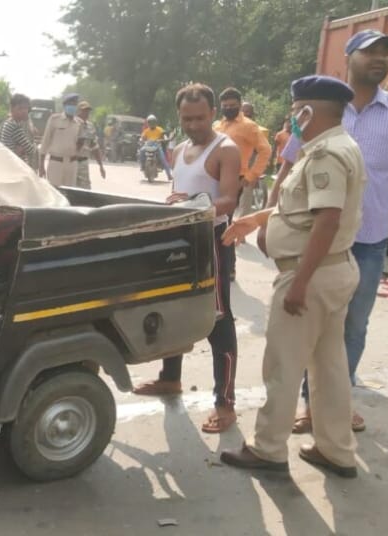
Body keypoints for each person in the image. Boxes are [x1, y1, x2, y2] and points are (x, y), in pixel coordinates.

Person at [274, 29, 388, 434]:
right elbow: (288, 162)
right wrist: (269, 214)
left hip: (369, 242)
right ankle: (312, 406)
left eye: (385, 53)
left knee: (353, 327)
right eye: (369, 52)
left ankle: (335, 399)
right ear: (348, 58)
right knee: (309, 323)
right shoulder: (322, 107)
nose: (379, 59)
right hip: (315, 241)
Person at [220, 75, 366, 478]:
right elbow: (305, 210)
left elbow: (326, 220)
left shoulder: (325, 156)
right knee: (329, 367)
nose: (291, 117)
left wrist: (299, 282)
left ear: (307, 111)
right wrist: (257, 218)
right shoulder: (338, 146)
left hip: (311, 274)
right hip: (333, 271)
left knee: (284, 364)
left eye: (295, 108)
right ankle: (336, 450)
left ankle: (268, 449)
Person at [131, 83, 241, 434]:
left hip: (211, 241)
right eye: (186, 118)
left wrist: (193, 202)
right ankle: (170, 378)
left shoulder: (226, 148)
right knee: (171, 310)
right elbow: (177, 192)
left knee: (219, 320)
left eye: (200, 117)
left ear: (212, 114)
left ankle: (225, 404)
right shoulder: (178, 149)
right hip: (179, 239)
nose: (193, 124)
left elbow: (228, 200)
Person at [215, 88, 271, 279]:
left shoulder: (249, 126)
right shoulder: (217, 125)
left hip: (236, 179)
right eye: (225, 106)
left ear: (239, 105)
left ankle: (229, 268)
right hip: (215, 178)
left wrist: (251, 176)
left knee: (225, 223)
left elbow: (265, 150)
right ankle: (217, 264)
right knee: (214, 222)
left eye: (232, 105)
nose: (228, 108)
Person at [39, 93, 84, 187]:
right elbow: (45, 142)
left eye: (74, 104)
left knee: (70, 194)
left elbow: (80, 144)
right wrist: (41, 165)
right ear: (64, 105)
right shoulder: (54, 119)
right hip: (56, 163)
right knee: (55, 193)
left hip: (72, 164)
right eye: (70, 104)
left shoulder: (79, 123)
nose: (72, 106)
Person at [0, 93, 38, 170]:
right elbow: (30, 150)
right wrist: (34, 144)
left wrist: (22, 149)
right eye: (20, 108)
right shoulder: (14, 126)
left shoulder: (8, 122)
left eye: (26, 108)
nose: (24, 111)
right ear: (12, 109)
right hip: (15, 168)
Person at [75, 101, 106, 188]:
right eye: (84, 110)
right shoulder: (72, 124)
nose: (86, 113)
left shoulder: (90, 126)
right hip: (71, 162)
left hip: (83, 162)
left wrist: (101, 166)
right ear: (78, 111)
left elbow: (95, 147)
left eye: (88, 111)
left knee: (85, 190)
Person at [138, 114, 173, 179]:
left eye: (153, 122)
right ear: (148, 123)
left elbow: (164, 135)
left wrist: (165, 139)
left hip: (157, 146)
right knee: (141, 152)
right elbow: (142, 137)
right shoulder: (146, 131)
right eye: (150, 122)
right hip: (148, 145)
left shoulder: (159, 129)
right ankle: (142, 166)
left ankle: (169, 175)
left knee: (163, 159)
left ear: (155, 122)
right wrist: (141, 140)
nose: (151, 123)